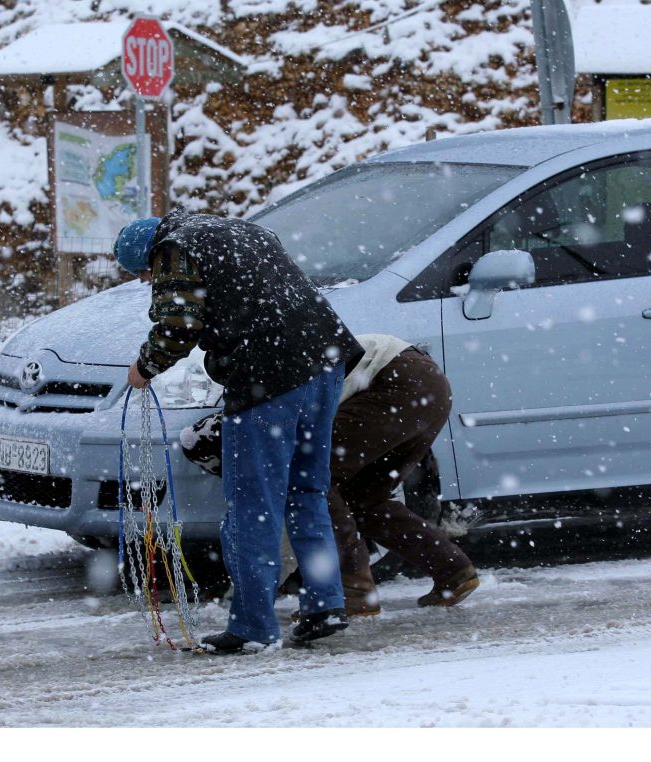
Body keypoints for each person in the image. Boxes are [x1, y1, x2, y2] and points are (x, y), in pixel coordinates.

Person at [112, 209, 361, 654]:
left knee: (253, 504)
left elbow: (179, 324)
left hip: (269, 375)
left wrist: (144, 367)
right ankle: (326, 603)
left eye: (145, 274)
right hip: (326, 358)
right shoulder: (237, 228)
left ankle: (253, 627)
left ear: (149, 257)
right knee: (306, 491)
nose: (149, 281)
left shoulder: (175, 248)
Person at [181, 334, 479, 616]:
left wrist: (255, 591)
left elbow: (293, 503)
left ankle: (353, 590)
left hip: (395, 383)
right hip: (428, 387)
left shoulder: (282, 383)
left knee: (311, 480)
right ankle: (452, 570)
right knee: (363, 498)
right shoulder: (281, 361)